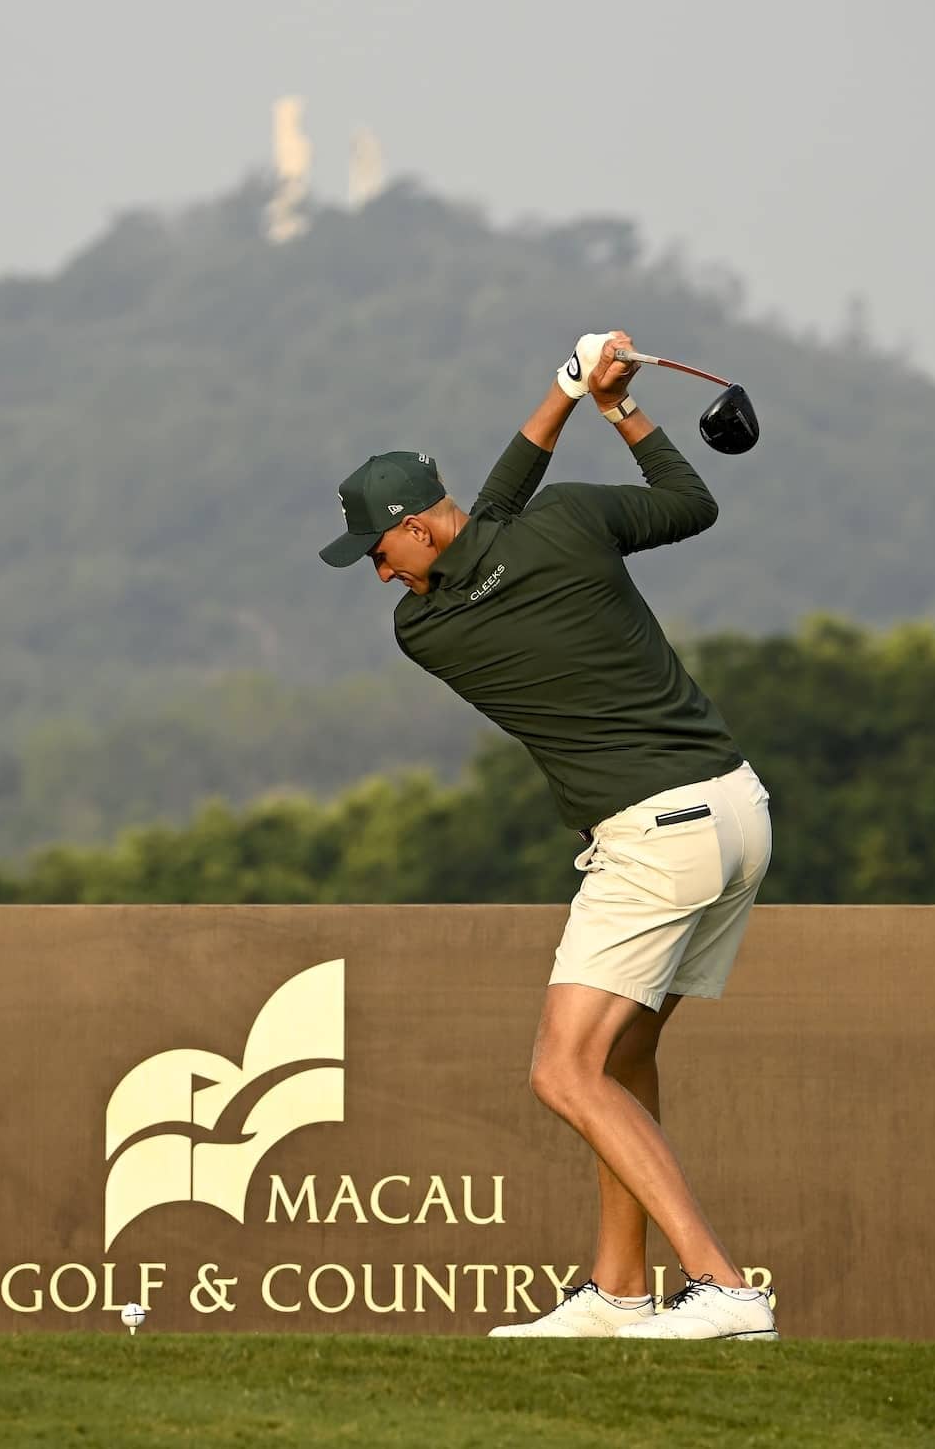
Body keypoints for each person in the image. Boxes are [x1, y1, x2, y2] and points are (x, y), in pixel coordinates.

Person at [317, 331, 775, 1341]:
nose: (379, 577)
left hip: (656, 837)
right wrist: (610, 407)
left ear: (415, 531)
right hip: (739, 813)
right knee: (622, 1054)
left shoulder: (429, 629)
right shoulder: (568, 521)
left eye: (378, 551)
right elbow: (688, 502)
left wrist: (563, 398)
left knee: (561, 1070)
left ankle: (723, 1285)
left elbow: (487, 519)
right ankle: (617, 1290)